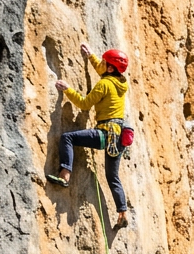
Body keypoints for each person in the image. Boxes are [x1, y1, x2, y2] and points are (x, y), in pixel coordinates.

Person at [47, 43, 132, 230]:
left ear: (110, 67)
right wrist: (91, 56)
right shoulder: (121, 82)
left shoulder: (104, 84)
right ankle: (122, 213)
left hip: (104, 134)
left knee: (67, 137)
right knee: (113, 177)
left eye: (104, 63)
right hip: (119, 137)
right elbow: (104, 70)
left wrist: (67, 89)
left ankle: (65, 174)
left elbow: (85, 104)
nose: (101, 64)